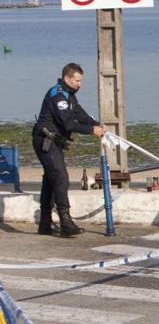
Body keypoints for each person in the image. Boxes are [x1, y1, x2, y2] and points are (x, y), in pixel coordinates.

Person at [32, 63, 105, 237]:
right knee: (61, 178)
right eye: (77, 80)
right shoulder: (58, 96)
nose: (80, 84)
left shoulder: (69, 95)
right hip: (45, 140)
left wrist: (95, 124)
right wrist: (91, 131)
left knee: (51, 179)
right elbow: (68, 123)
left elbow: (79, 114)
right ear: (67, 78)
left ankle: (44, 224)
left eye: (81, 81)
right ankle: (66, 223)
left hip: (54, 141)